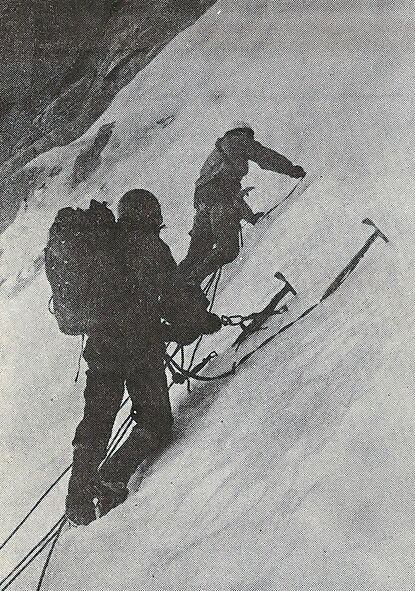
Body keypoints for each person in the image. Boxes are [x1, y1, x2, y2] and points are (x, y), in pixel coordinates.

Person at [65, 189, 222, 526]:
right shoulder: (150, 246)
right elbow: (174, 296)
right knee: (155, 421)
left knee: (97, 421)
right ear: (152, 216)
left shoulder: (102, 245)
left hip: (102, 350)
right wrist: (198, 322)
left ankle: (77, 500)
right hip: (140, 350)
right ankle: (113, 475)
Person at [178, 122, 306, 286]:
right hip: (217, 198)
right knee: (228, 249)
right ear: (244, 133)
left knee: (196, 253)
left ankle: (171, 289)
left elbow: (228, 196)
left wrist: (250, 217)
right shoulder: (237, 140)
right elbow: (264, 156)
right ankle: (191, 283)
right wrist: (291, 169)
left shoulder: (218, 154)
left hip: (202, 201)